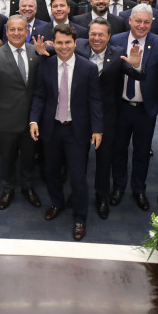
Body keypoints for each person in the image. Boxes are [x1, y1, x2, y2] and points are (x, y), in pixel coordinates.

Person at [29, 24, 103, 242]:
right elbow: (39, 96)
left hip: (76, 130)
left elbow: (95, 101)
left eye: (68, 42)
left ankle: (80, 218)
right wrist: (33, 120)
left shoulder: (88, 68)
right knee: (51, 171)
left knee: (78, 177)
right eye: (59, 42)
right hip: (51, 128)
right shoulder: (46, 65)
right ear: (53, 43)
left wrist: (97, 129)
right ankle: (57, 203)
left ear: (75, 43)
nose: (64, 47)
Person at [71, 17, 142, 219]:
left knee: (104, 160)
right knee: (78, 159)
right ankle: (77, 194)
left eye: (101, 35)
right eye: (93, 34)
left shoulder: (118, 53)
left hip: (106, 116)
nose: (96, 38)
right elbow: (57, 52)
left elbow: (136, 74)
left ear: (109, 37)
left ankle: (101, 196)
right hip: (80, 114)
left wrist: (136, 66)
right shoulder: (79, 47)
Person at [110, 3, 158, 211]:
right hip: (120, 107)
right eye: (138, 21)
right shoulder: (116, 40)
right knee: (118, 150)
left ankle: (139, 189)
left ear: (152, 23)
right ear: (130, 20)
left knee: (142, 152)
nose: (141, 25)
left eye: (146, 22)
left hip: (145, 109)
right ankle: (118, 187)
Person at [0, 15, 41, 211]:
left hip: (31, 119)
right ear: (6, 32)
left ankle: (28, 187)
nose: (16, 33)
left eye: (20, 29)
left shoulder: (36, 51)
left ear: (27, 31)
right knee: (7, 157)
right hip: (6, 118)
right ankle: (8, 188)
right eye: (12, 29)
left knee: (29, 156)